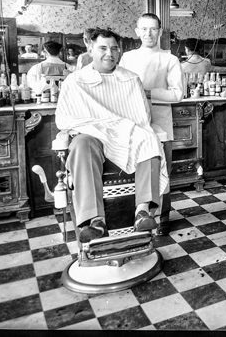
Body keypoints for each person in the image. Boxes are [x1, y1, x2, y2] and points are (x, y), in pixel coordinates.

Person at [55, 28, 168, 243]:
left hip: (126, 132)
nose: (110, 53)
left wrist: (118, 128)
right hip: (93, 135)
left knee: (149, 138)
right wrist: (99, 127)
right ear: (90, 48)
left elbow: (141, 117)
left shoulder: (131, 79)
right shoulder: (75, 81)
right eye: (103, 48)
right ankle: (95, 220)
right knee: (81, 144)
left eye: (115, 48)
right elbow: (65, 118)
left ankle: (142, 212)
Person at [119, 13, 184, 234]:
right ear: (137, 31)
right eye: (144, 29)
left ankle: (163, 218)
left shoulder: (169, 59)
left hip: (161, 121)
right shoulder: (127, 58)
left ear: (160, 32)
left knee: (163, 167)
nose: (148, 33)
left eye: (153, 29)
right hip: (134, 121)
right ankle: (140, 215)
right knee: (139, 169)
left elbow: (177, 94)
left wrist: (146, 92)